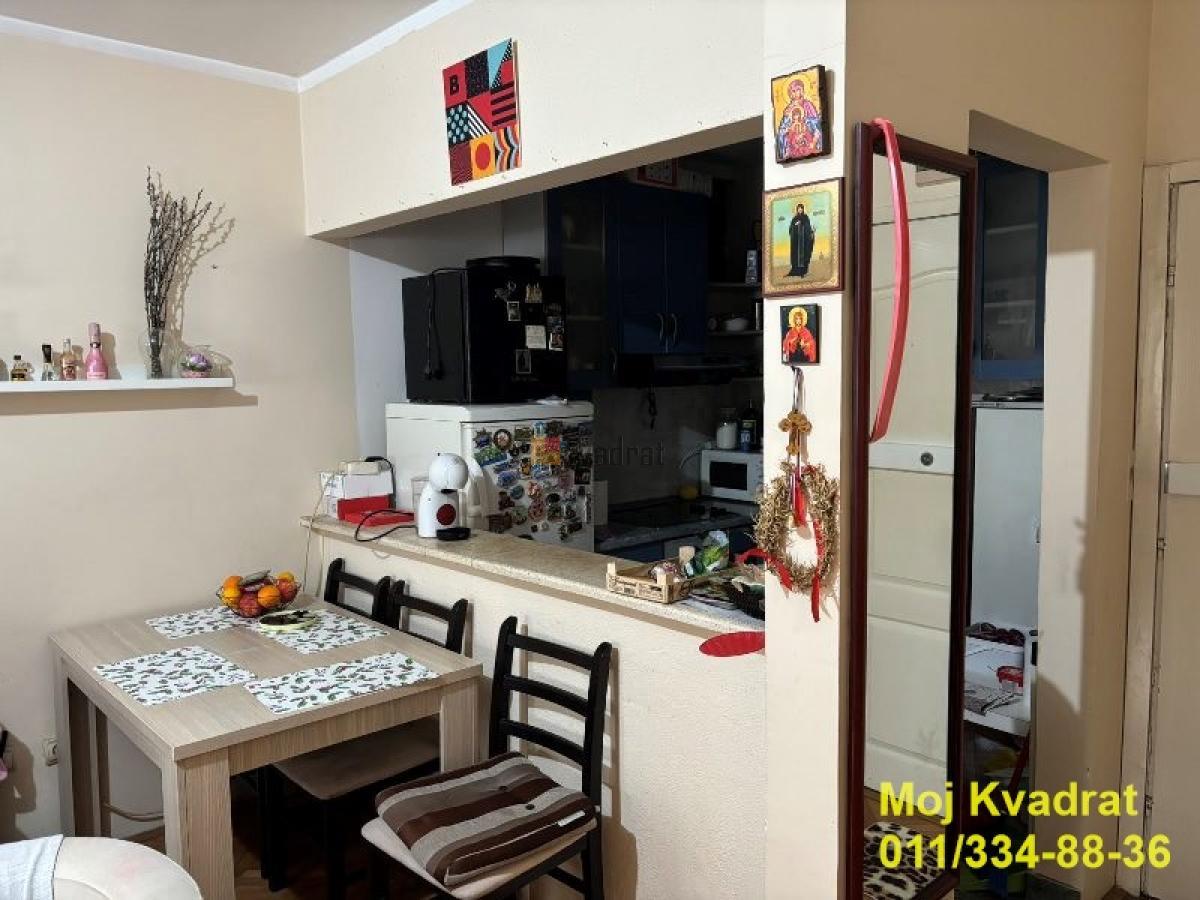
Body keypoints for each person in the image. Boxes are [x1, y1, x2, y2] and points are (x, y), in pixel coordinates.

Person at [788, 202, 815, 277]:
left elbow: (808, 227)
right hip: (797, 242)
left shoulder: (806, 217)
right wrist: (795, 225)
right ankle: (796, 271)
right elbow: (790, 229)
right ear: (797, 209)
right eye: (798, 209)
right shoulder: (794, 218)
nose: (800, 210)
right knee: (796, 257)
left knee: (803, 256)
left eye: (801, 209)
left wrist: (811, 231)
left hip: (803, 241)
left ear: (803, 209)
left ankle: (803, 271)